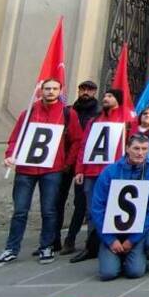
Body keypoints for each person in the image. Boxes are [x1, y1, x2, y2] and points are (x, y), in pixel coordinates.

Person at [0, 78, 83, 268]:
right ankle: (11, 248)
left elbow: (77, 140)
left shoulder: (68, 114)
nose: (50, 92)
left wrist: (67, 163)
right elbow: (16, 137)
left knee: (49, 210)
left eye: (54, 89)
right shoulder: (29, 113)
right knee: (20, 211)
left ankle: (46, 246)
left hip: (52, 170)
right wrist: (10, 155)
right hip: (25, 169)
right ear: (41, 91)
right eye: (47, 88)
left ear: (60, 91)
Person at [90, 134, 149, 281]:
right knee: (108, 274)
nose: (140, 153)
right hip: (112, 231)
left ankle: (141, 252)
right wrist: (110, 240)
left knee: (135, 272)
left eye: (144, 149)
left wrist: (133, 240)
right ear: (127, 149)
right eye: (136, 148)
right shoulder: (109, 172)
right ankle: (115, 254)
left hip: (137, 232)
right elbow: (97, 207)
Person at [69, 88, 126, 264]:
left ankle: (112, 242)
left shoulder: (126, 120)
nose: (106, 98)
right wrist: (80, 169)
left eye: (110, 96)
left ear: (118, 100)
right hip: (92, 172)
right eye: (106, 96)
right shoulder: (94, 121)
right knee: (93, 210)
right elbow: (85, 145)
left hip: (115, 173)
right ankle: (92, 245)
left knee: (115, 208)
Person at [54, 80, 100, 254]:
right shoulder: (68, 111)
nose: (86, 92)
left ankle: (71, 238)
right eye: (83, 89)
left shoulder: (98, 113)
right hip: (65, 162)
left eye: (89, 89)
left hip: (85, 163)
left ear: (95, 92)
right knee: (57, 201)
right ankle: (54, 238)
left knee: (80, 203)